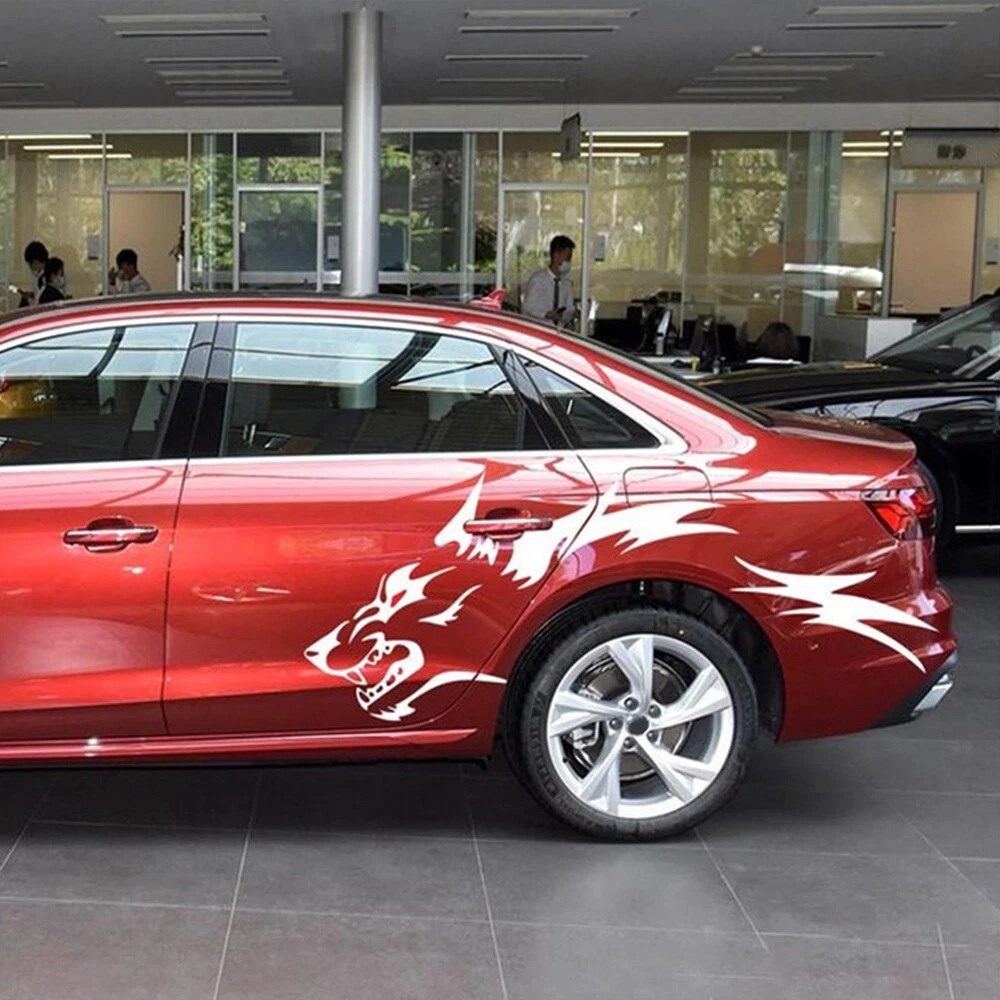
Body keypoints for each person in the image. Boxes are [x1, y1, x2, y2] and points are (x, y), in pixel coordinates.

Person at [522, 235, 576, 328]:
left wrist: (566, 315)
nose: (568, 262)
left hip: (559, 330)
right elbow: (528, 307)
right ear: (556, 255)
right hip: (539, 329)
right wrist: (546, 314)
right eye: (567, 258)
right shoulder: (538, 280)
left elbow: (569, 308)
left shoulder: (566, 284)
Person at [19, 241, 49, 307]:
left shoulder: (43, 279)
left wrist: (29, 299)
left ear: (35, 262)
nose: (30, 267)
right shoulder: (44, 276)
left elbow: (38, 305)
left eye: (30, 264)